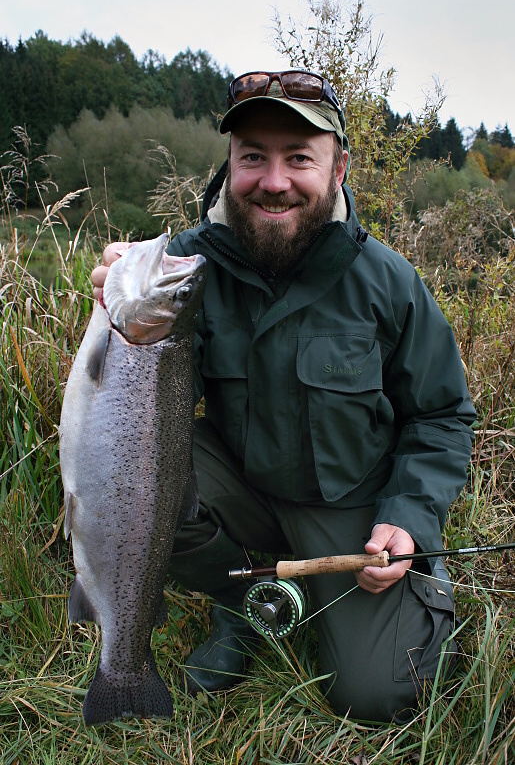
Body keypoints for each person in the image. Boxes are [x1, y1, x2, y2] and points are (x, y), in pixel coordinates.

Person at [91, 70, 476, 723]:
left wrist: (408, 516)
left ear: (337, 168)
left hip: (349, 504)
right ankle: (242, 594)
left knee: (380, 692)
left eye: (298, 157)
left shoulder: (387, 282)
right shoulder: (182, 270)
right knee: (142, 478)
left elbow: (441, 416)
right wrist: (113, 299)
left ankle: (389, 597)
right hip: (238, 485)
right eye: (253, 157)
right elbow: (124, 398)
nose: (274, 180)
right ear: (231, 165)